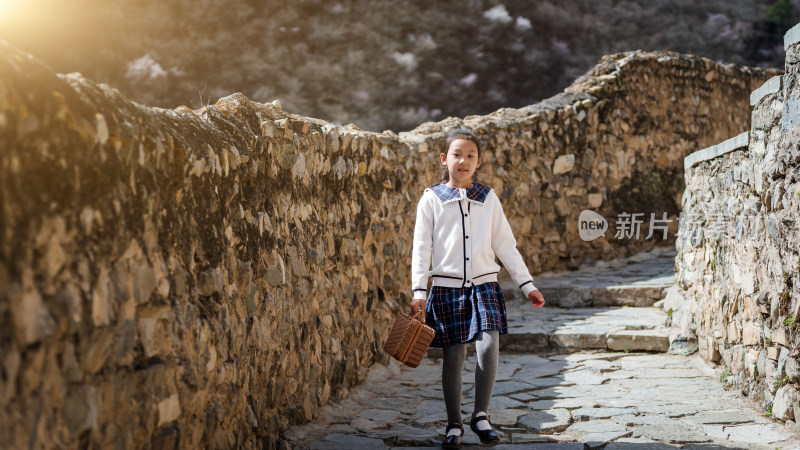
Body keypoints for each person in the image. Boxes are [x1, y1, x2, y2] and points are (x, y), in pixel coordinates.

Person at [409, 128, 546, 449]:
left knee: (488, 345)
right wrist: (419, 291)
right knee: (454, 356)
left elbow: (505, 244)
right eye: (457, 154)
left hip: (485, 286)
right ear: (444, 159)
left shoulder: (488, 198)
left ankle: (481, 415)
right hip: (446, 289)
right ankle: (454, 424)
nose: (463, 160)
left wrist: (527, 285)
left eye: (470, 155)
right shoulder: (431, 199)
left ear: (478, 161)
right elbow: (421, 247)